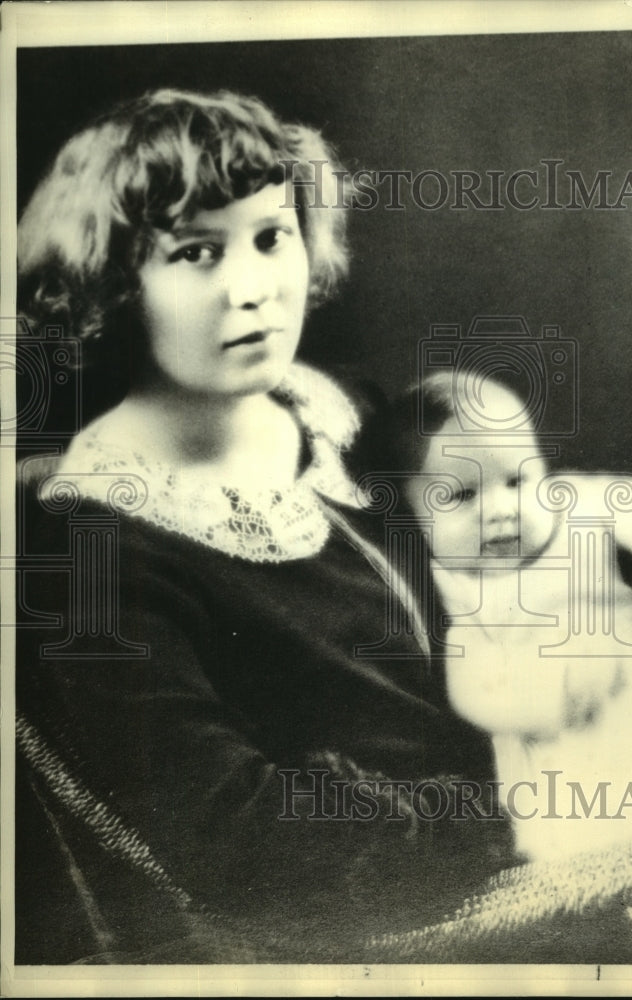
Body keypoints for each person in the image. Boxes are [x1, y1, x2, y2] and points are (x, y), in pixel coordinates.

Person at [15, 89, 518, 965]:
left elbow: (518, 544)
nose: (252, 290)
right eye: (196, 252)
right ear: (115, 284)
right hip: (394, 930)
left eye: (271, 237)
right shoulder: (98, 555)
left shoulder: (341, 413)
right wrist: (504, 816)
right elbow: (239, 838)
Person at [391, 371, 632, 954]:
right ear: (411, 518)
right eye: (461, 496)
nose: (500, 510)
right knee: (626, 855)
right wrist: (549, 692)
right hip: (570, 746)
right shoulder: (448, 589)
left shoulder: (571, 503)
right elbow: (472, 684)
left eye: (516, 479)